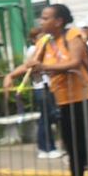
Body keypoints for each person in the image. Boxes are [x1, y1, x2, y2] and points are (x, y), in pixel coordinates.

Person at [5, 4, 88, 176]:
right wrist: (11, 75)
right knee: (72, 147)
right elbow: (30, 64)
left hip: (84, 99)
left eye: (45, 18)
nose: (41, 22)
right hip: (63, 100)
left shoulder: (73, 36)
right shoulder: (44, 41)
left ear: (58, 21)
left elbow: (75, 62)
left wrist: (44, 67)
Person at [24, 27, 63, 160]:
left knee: (46, 117)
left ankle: (48, 146)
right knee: (46, 117)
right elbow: (31, 68)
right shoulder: (33, 50)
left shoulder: (47, 50)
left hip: (48, 86)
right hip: (41, 86)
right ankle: (46, 147)